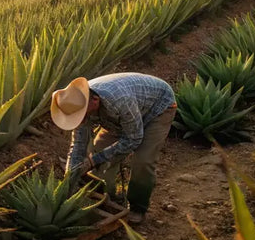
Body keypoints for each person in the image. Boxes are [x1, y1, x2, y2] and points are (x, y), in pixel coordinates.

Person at [50, 73, 176, 225]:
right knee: (98, 152)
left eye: (83, 115)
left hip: (158, 108)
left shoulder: (119, 101)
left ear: (95, 102)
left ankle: (138, 206)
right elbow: (78, 145)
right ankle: (106, 197)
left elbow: (133, 139)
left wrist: (93, 161)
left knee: (143, 161)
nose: (81, 119)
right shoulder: (76, 102)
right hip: (122, 115)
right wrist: (70, 177)